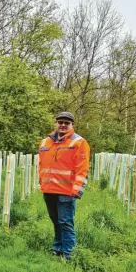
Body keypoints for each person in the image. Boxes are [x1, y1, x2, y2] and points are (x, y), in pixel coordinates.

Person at [38, 111, 90, 260]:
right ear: (56, 123)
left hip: (67, 191)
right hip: (48, 190)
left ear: (72, 125)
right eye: (60, 122)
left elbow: (82, 168)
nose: (63, 125)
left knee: (65, 222)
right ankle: (58, 248)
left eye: (66, 123)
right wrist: (41, 181)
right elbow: (41, 165)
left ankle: (69, 254)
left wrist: (77, 189)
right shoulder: (45, 142)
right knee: (55, 221)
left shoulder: (79, 143)